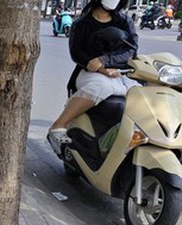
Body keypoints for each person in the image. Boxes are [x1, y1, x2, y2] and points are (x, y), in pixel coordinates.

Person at [47, 0, 139, 152]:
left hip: (121, 73)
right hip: (89, 72)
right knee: (102, 86)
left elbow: (131, 50)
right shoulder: (82, 24)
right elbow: (77, 53)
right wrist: (101, 68)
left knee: (140, 93)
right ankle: (58, 125)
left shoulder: (124, 21)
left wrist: (104, 59)